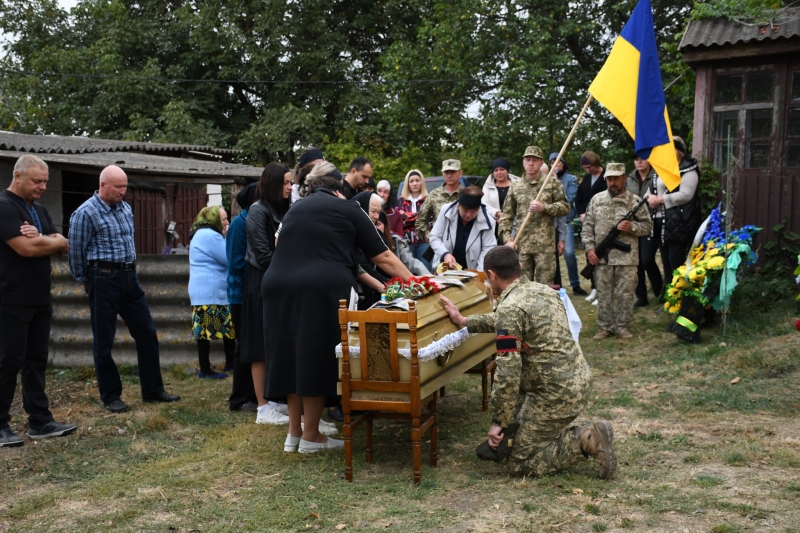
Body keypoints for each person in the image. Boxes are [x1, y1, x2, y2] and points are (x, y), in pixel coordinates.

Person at [262, 161, 412, 454]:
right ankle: (311, 436)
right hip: (319, 288)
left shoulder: (296, 209)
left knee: (292, 355)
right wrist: (418, 280)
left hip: (277, 284)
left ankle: (294, 434)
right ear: (338, 187)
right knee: (315, 356)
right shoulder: (349, 209)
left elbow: (279, 243)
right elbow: (382, 256)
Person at [439, 246, 616, 479]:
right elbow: (511, 320)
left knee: (519, 463)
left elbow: (507, 374)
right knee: (518, 433)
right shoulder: (543, 291)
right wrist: (465, 321)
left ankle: (586, 439)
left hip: (554, 393)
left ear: (491, 275)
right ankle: (548, 430)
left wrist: (497, 422)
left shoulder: (510, 307)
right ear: (519, 268)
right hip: (576, 379)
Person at [68, 165, 180, 413]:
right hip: (103, 277)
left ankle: (152, 389)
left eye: (125, 186)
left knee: (147, 333)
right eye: (118, 187)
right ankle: (111, 396)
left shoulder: (125, 208)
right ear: (103, 185)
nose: (123, 191)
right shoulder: (85, 213)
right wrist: (83, 278)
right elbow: (76, 251)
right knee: (104, 340)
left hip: (129, 277)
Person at [0, 155, 77, 447]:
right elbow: (27, 249)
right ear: (17, 176)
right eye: (37, 180)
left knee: (36, 360)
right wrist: (49, 239)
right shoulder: (4, 207)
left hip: (39, 297)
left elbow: (63, 246)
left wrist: (46, 238)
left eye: (45, 181)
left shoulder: (39, 209)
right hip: (10, 297)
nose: (43, 186)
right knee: (8, 361)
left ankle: (40, 421)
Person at [242, 163, 292, 425]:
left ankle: (272, 401)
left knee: (272, 342)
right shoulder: (258, 210)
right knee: (259, 346)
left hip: (275, 280)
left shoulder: (280, 209)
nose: (290, 186)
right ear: (272, 183)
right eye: (285, 182)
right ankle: (262, 408)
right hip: (260, 282)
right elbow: (263, 255)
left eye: (290, 182)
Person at [582, 163, 653, 340]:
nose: (612, 182)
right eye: (609, 178)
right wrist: (590, 249)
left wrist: (631, 227)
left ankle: (622, 326)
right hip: (601, 257)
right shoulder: (596, 200)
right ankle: (604, 327)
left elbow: (648, 226)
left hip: (627, 258)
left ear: (624, 179)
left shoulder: (635, 201)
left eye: (616, 178)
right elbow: (587, 227)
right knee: (604, 293)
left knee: (626, 293)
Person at [499, 146, 569, 284]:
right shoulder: (516, 186)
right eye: (527, 160)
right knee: (521, 286)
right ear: (523, 162)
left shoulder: (552, 183)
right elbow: (506, 216)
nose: (531, 163)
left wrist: (545, 207)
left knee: (544, 287)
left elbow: (566, 208)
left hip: (545, 247)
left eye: (535, 160)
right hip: (521, 246)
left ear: (541, 162)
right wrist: (507, 240)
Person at [644, 136, 701, 288]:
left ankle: (680, 298)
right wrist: (649, 198)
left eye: (669, 149)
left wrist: (660, 199)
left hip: (678, 223)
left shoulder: (688, 169)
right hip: (659, 222)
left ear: (679, 152)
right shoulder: (661, 169)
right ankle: (669, 296)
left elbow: (686, 195)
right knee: (666, 262)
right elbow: (649, 192)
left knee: (676, 261)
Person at [188, 206, 234, 380]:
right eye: (223, 219)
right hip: (208, 290)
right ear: (213, 219)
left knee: (226, 328)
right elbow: (228, 257)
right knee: (206, 332)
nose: (226, 222)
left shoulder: (202, 234)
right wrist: (228, 236)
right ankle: (205, 369)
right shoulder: (210, 235)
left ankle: (229, 363)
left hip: (208, 290)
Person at [225, 183, 259, 412]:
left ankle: (253, 396)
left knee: (251, 345)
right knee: (243, 346)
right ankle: (238, 399)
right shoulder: (239, 224)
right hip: (239, 295)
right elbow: (236, 262)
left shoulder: (254, 222)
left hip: (251, 293)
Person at [429, 186, 497, 271]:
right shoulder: (446, 211)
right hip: (445, 268)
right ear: (458, 206)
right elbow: (434, 237)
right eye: (465, 210)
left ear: (479, 209)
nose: (468, 215)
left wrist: (479, 273)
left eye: (473, 211)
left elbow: (488, 249)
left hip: (472, 270)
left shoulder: (487, 222)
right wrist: (445, 254)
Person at [627, 156, 663, 307]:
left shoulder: (657, 175)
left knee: (647, 259)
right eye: (635, 159)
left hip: (654, 220)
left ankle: (660, 291)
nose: (639, 161)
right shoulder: (630, 178)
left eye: (642, 158)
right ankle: (641, 296)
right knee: (636, 261)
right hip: (635, 223)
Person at [574, 151, 607, 304]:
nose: (587, 170)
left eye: (589, 167)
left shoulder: (607, 177)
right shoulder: (587, 179)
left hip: (603, 222)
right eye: (585, 168)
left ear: (596, 163)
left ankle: (603, 290)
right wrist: (581, 213)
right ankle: (594, 287)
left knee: (601, 256)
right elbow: (579, 199)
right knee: (590, 254)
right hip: (588, 222)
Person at [549, 153, 584, 295]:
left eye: (558, 162)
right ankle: (556, 286)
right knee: (551, 255)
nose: (555, 165)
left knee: (569, 253)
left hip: (566, 221)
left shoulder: (571, 179)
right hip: (550, 222)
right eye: (552, 162)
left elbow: (568, 200)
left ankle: (575, 285)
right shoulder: (545, 180)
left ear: (563, 163)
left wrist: (556, 182)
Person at [415, 159, 463, 245]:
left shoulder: (466, 194)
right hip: (441, 245)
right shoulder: (434, 195)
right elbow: (420, 221)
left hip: (462, 243)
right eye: (446, 172)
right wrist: (431, 238)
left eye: (452, 172)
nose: (449, 175)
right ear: (442, 174)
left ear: (460, 173)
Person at [398, 169, 430, 270]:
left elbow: (429, 219)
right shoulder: (401, 200)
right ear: (408, 184)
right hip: (407, 243)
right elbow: (400, 220)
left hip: (425, 242)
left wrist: (406, 216)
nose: (415, 183)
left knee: (426, 272)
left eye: (417, 180)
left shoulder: (428, 199)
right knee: (410, 273)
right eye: (411, 181)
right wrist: (420, 216)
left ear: (422, 182)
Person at [482, 157, 519, 224]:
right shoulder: (487, 186)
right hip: (494, 224)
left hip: (516, 223)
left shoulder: (518, 184)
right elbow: (484, 205)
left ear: (507, 170)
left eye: (502, 169)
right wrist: (498, 214)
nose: (499, 172)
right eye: (496, 170)